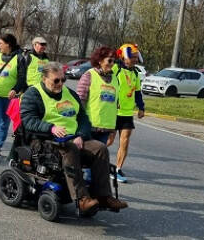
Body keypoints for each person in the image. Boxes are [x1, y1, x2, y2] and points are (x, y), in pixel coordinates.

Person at [20, 62, 128, 212]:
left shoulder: (70, 94)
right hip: (45, 140)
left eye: (62, 80)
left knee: (100, 148)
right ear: (44, 79)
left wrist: (81, 136)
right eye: (56, 80)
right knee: (70, 148)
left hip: (73, 137)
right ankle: (82, 199)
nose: (60, 84)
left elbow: (83, 118)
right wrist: (51, 128)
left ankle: (104, 197)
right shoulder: (33, 94)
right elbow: (28, 121)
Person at [107, 44, 145, 183]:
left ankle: (117, 169)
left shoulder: (135, 73)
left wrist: (141, 107)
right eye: (132, 57)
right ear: (124, 57)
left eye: (136, 57)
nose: (135, 59)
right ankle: (90, 160)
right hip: (113, 112)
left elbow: (137, 92)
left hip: (127, 113)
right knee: (109, 141)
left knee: (125, 142)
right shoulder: (115, 69)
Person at [77, 46, 119, 144]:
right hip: (89, 127)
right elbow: (80, 101)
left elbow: (115, 105)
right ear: (100, 61)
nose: (112, 64)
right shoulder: (89, 75)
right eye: (109, 61)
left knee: (99, 157)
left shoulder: (115, 79)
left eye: (114, 61)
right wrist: (80, 124)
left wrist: (114, 128)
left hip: (107, 128)